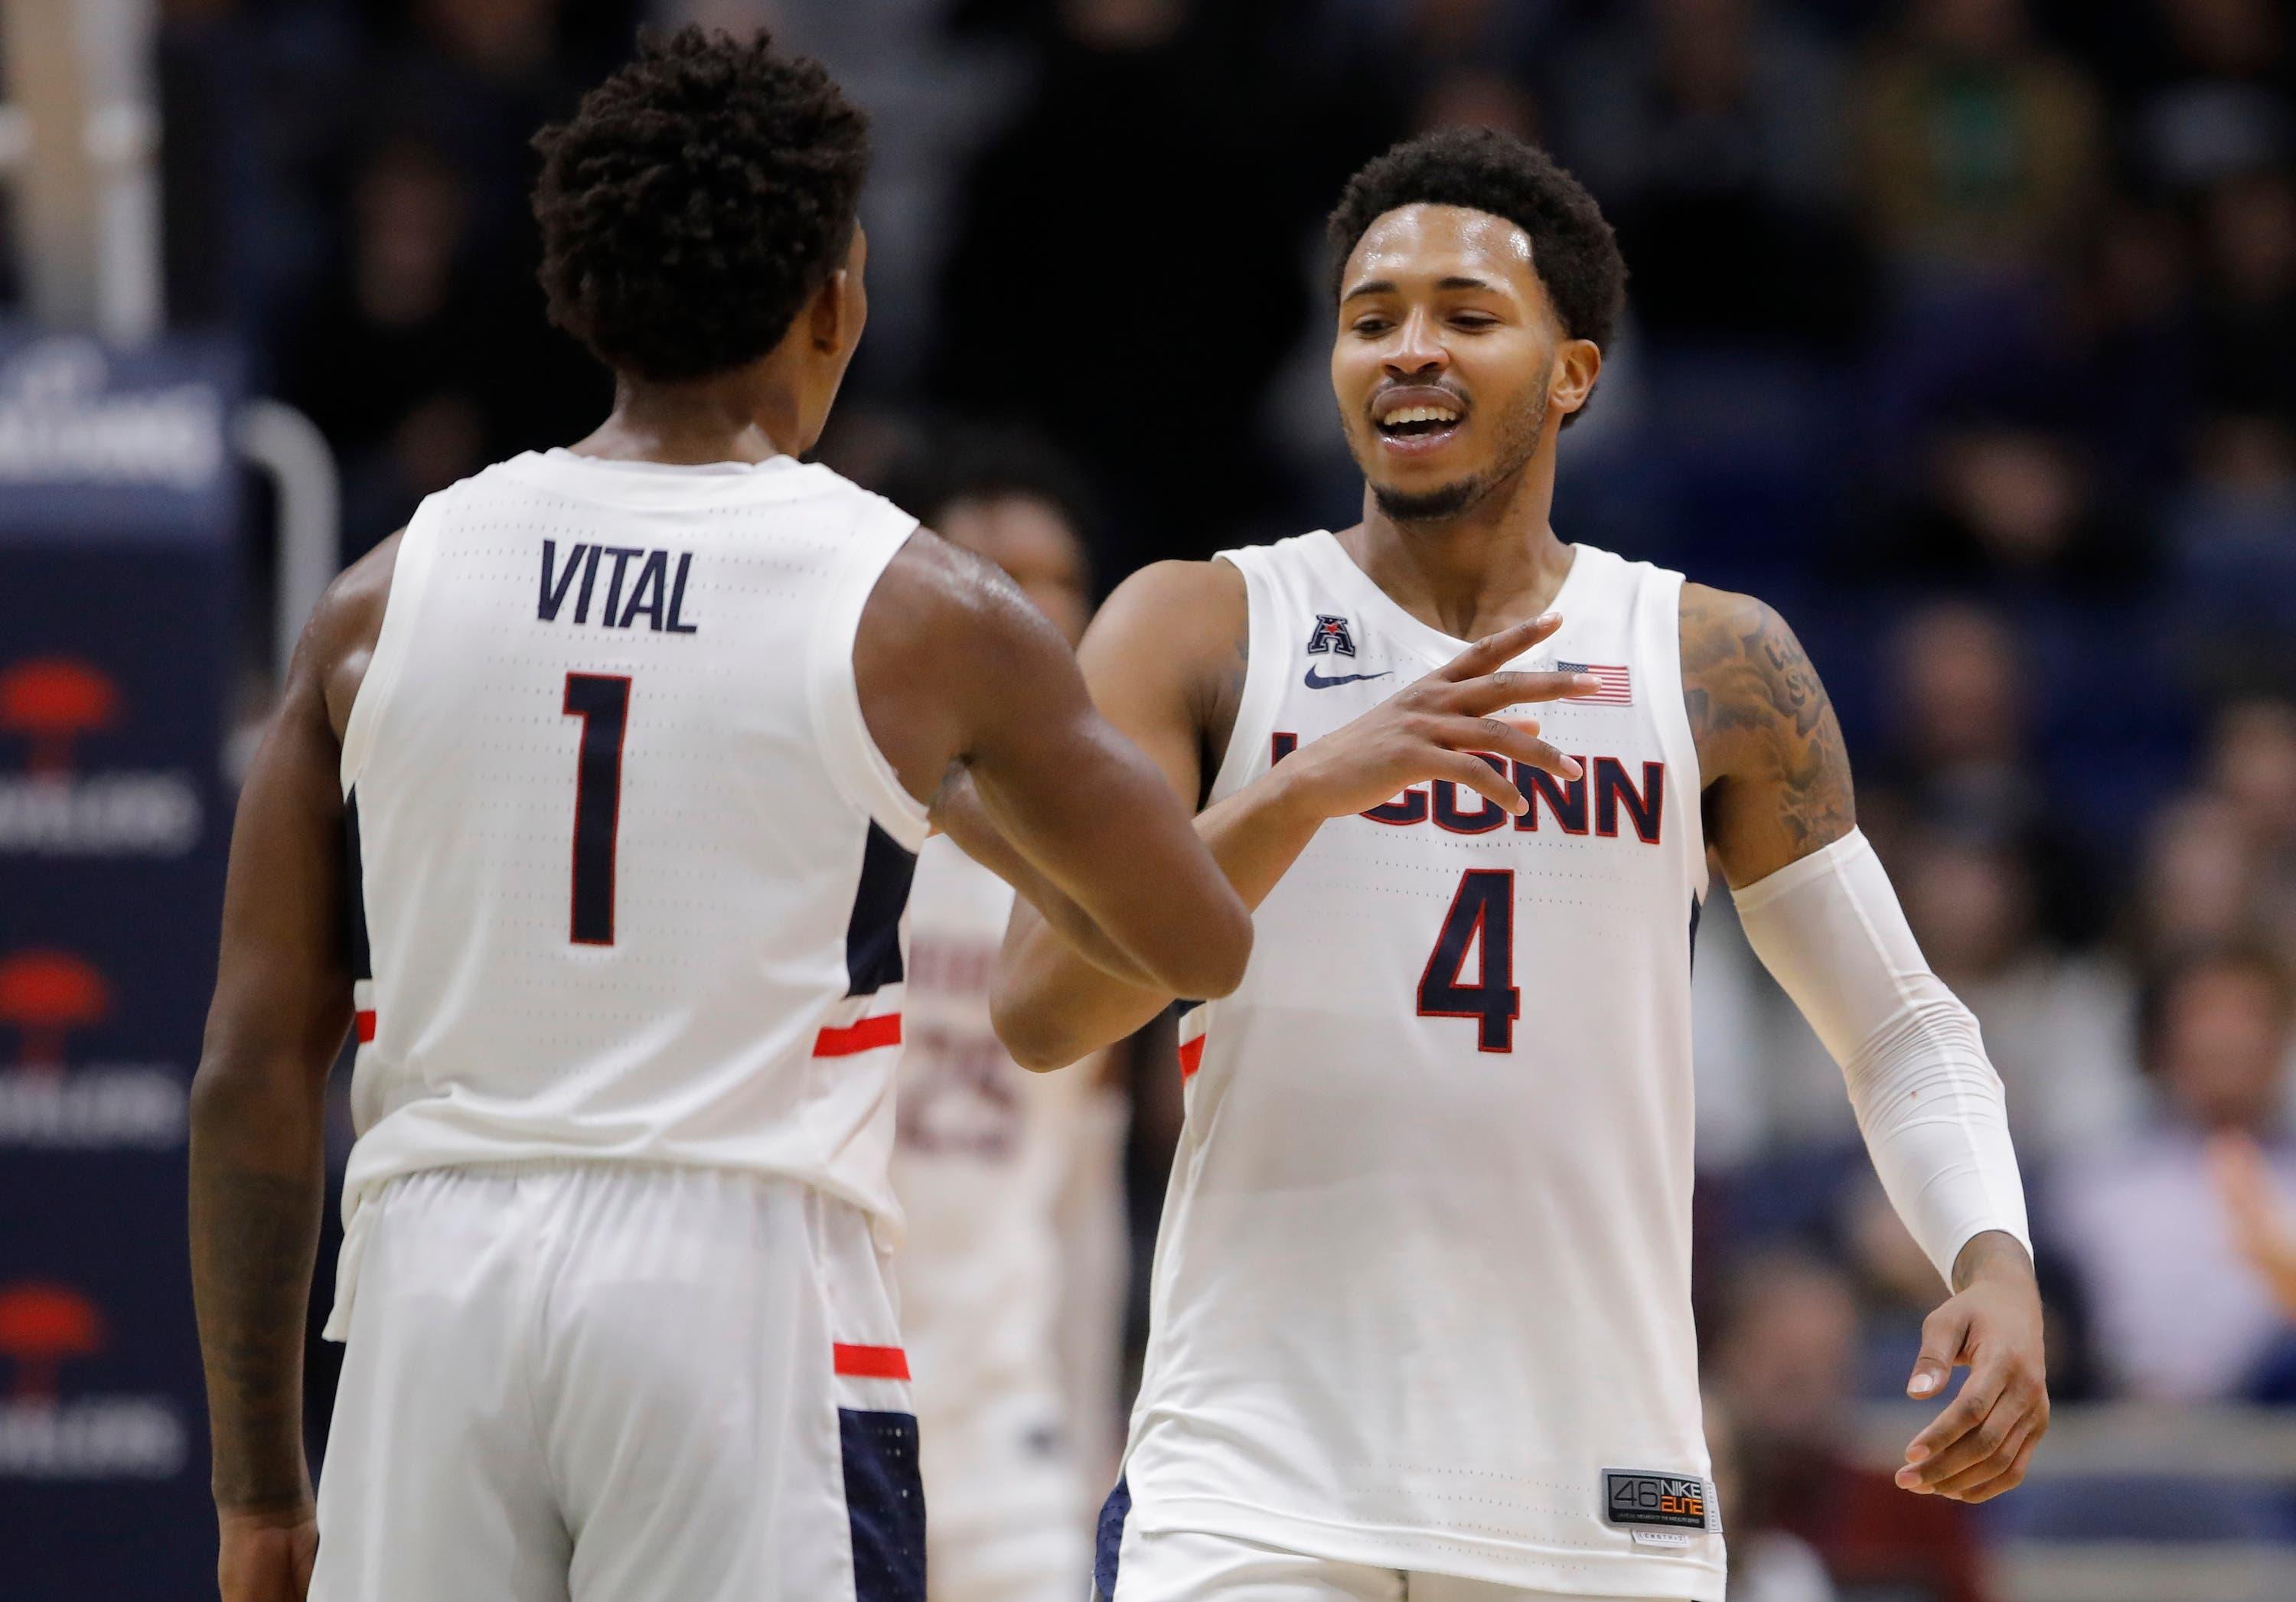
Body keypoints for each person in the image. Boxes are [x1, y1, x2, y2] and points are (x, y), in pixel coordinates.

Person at [187, 30, 1257, 1602]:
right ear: (839, 297)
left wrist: (262, 1490)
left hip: (433, 1279)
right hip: (738, 1287)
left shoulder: (374, 600)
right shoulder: (919, 610)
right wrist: (968, 805)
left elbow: (249, 1077)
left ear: (576, 294)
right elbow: (1193, 940)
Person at [989, 128, 2049, 1602]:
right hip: (1257, 1485)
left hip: (1596, 1488)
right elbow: (1041, 1012)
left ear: (1574, 373)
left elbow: (1899, 1029)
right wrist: (1308, 792)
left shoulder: (1712, 658)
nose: (1409, 351)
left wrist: (1991, 1257)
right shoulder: (1201, 626)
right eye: (1372, 321)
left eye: (1465, 317)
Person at [884, 440, 1130, 1602]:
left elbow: (1084, 1202)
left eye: (1051, 580)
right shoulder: (833, 818)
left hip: (1008, 1436)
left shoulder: (1107, 876)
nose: (1025, 609)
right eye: (988, 573)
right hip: (815, 1398)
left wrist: (1094, 1444)